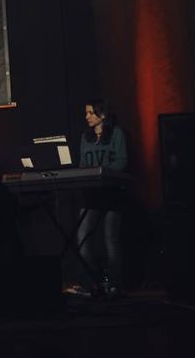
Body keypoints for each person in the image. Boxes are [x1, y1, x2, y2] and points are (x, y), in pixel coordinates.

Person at [71, 99, 128, 298]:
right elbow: (82, 164)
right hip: (91, 194)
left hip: (112, 193)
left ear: (102, 115)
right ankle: (89, 284)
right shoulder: (85, 137)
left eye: (90, 113)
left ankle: (114, 284)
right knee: (82, 237)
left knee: (110, 240)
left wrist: (103, 173)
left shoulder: (116, 134)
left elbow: (122, 161)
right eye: (86, 113)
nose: (86, 116)